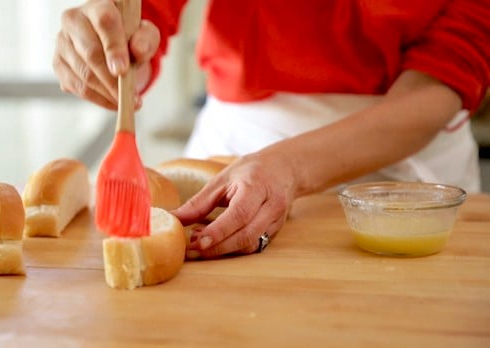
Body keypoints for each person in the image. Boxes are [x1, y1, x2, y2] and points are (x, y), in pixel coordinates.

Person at [53, 0, 489, 259]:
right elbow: (144, 15)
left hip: (406, 167)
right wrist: (113, 49)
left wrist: (290, 167)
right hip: (231, 150)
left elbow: (445, 74)